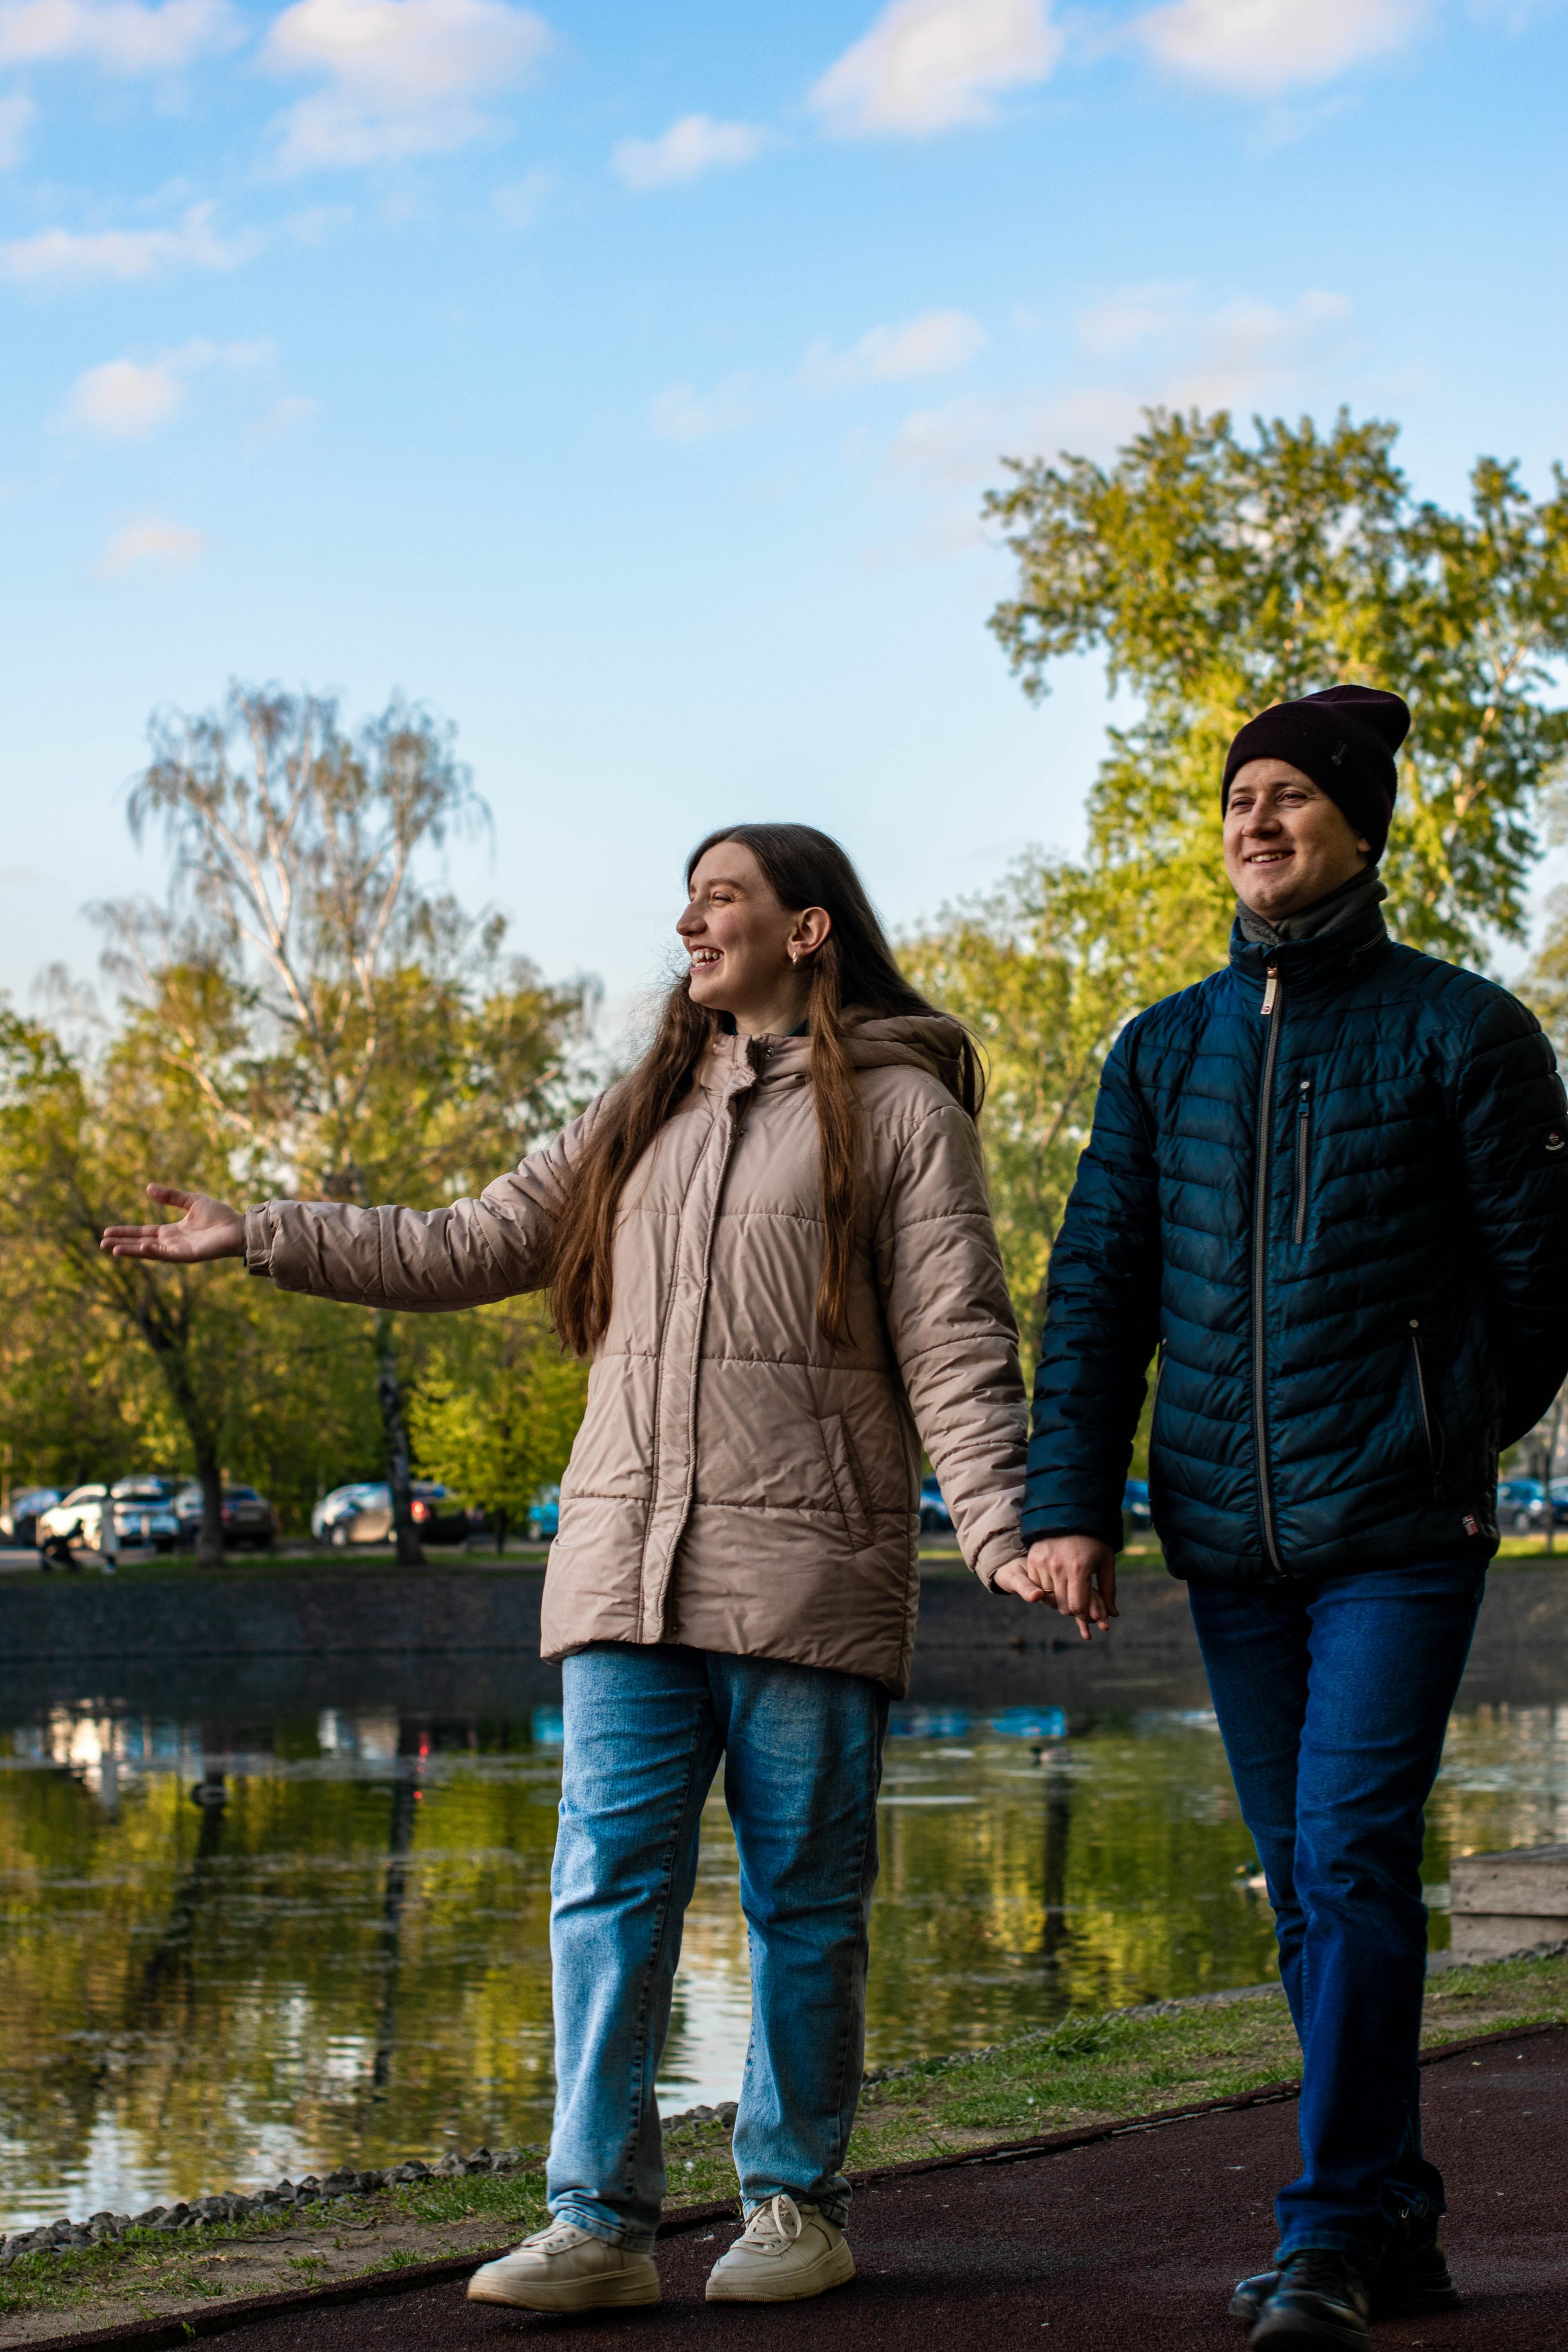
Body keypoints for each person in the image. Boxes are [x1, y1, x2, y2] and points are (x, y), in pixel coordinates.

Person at [102, 823, 1030, 2316]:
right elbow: (465, 1241)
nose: (687, 919)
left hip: (803, 1571)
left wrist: (998, 1525)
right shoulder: (639, 1108)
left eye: (719, 894)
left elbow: (957, 1339)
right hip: (620, 1573)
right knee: (602, 1892)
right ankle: (597, 2223)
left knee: (803, 1897)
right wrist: (258, 1233)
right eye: (686, 897)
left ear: (805, 929)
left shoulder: (905, 1113)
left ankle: (792, 2202)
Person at [1013, 686, 1568, 2351]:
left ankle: (1323, 2232)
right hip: (1225, 1544)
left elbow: (1546, 1293)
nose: (1257, 820)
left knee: (1344, 1854)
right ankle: (1390, 2216)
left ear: (1360, 826)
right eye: (1240, 796)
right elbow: (1098, 1289)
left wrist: (1432, 1434)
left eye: (1291, 798)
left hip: (1396, 1532)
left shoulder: (1464, 1032)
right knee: (1308, 1882)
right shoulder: (1163, 1048)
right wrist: (1072, 1505)